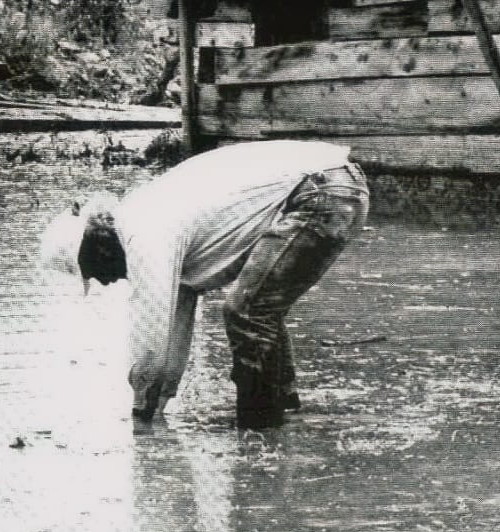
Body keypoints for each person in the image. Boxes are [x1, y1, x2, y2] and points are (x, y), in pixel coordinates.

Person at [40, 140, 370, 429]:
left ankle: (260, 432)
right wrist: (157, 404)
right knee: (258, 305)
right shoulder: (150, 224)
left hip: (320, 192)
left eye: (94, 272)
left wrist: (141, 412)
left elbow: (151, 334)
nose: (105, 281)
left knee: (247, 311)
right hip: (332, 184)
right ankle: (283, 414)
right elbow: (173, 329)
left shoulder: (143, 231)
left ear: (100, 248)